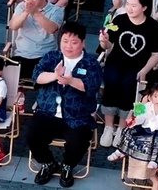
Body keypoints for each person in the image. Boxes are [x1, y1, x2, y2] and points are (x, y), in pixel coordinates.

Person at [26, 22, 103, 187]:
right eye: (65, 41)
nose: (68, 46)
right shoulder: (52, 57)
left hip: (77, 116)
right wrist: (54, 76)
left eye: (74, 42)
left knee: (79, 140)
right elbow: (36, 76)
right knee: (32, 133)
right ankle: (47, 163)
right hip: (48, 112)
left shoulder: (91, 63)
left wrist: (70, 80)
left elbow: (91, 86)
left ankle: (67, 166)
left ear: (83, 43)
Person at [98, 0, 158, 148]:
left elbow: (156, 54)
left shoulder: (153, 27)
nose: (129, 8)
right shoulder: (119, 20)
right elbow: (108, 47)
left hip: (138, 65)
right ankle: (108, 126)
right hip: (116, 61)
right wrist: (104, 42)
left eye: (134, 5)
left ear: (144, 7)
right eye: (128, 4)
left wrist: (144, 70)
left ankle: (122, 127)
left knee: (129, 84)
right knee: (112, 80)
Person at [107, 82, 158, 188]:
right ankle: (121, 150)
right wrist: (134, 121)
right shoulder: (147, 106)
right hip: (147, 132)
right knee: (130, 131)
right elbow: (141, 118)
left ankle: (154, 160)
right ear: (150, 97)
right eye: (155, 96)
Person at [8, 0, 65, 80]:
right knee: (5, 75)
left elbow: (52, 29)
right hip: (22, 54)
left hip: (45, 56)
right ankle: (19, 95)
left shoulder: (56, 10)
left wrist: (35, 13)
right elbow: (13, 26)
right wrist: (26, 12)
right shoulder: (21, 7)